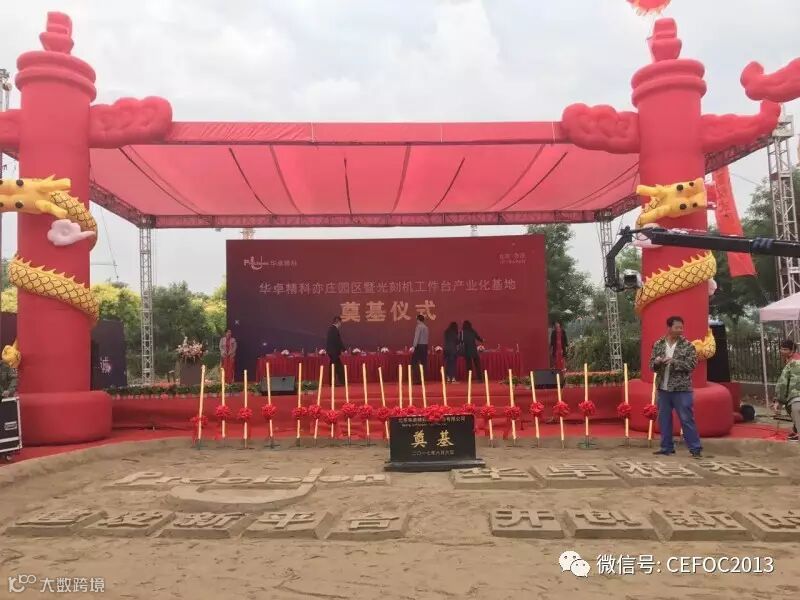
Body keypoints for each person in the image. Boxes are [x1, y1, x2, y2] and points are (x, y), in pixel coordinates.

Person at [649, 315, 702, 458]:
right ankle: (666, 447)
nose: (680, 330)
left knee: (686, 418)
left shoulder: (688, 345)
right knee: (664, 419)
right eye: (677, 327)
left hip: (681, 388)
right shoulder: (659, 344)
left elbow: (692, 365)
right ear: (669, 328)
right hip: (663, 387)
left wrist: (674, 362)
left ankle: (695, 448)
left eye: (681, 327)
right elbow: (651, 366)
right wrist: (657, 362)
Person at [774, 339, 800, 441]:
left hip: (796, 398)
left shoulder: (791, 364)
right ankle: (796, 430)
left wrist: (778, 400)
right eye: (781, 349)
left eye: (785, 349)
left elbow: (783, 384)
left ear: (792, 351)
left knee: (793, 407)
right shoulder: (792, 361)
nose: (782, 351)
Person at [326, 316, 346, 385]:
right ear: (338, 322)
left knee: (337, 367)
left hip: (332, 352)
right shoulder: (334, 329)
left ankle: (340, 382)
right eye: (340, 322)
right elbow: (338, 341)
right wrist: (344, 349)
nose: (341, 324)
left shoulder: (331, 329)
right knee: (334, 367)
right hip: (333, 352)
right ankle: (335, 382)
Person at [411, 315, 429, 384]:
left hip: (419, 346)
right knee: (423, 363)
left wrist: (414, 346)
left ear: (418, 320)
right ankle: (423, 379)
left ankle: (416, 380)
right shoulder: (426, 327)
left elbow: (417, 337)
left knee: (415, 363)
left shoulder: (419, 327)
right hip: (425, 346)